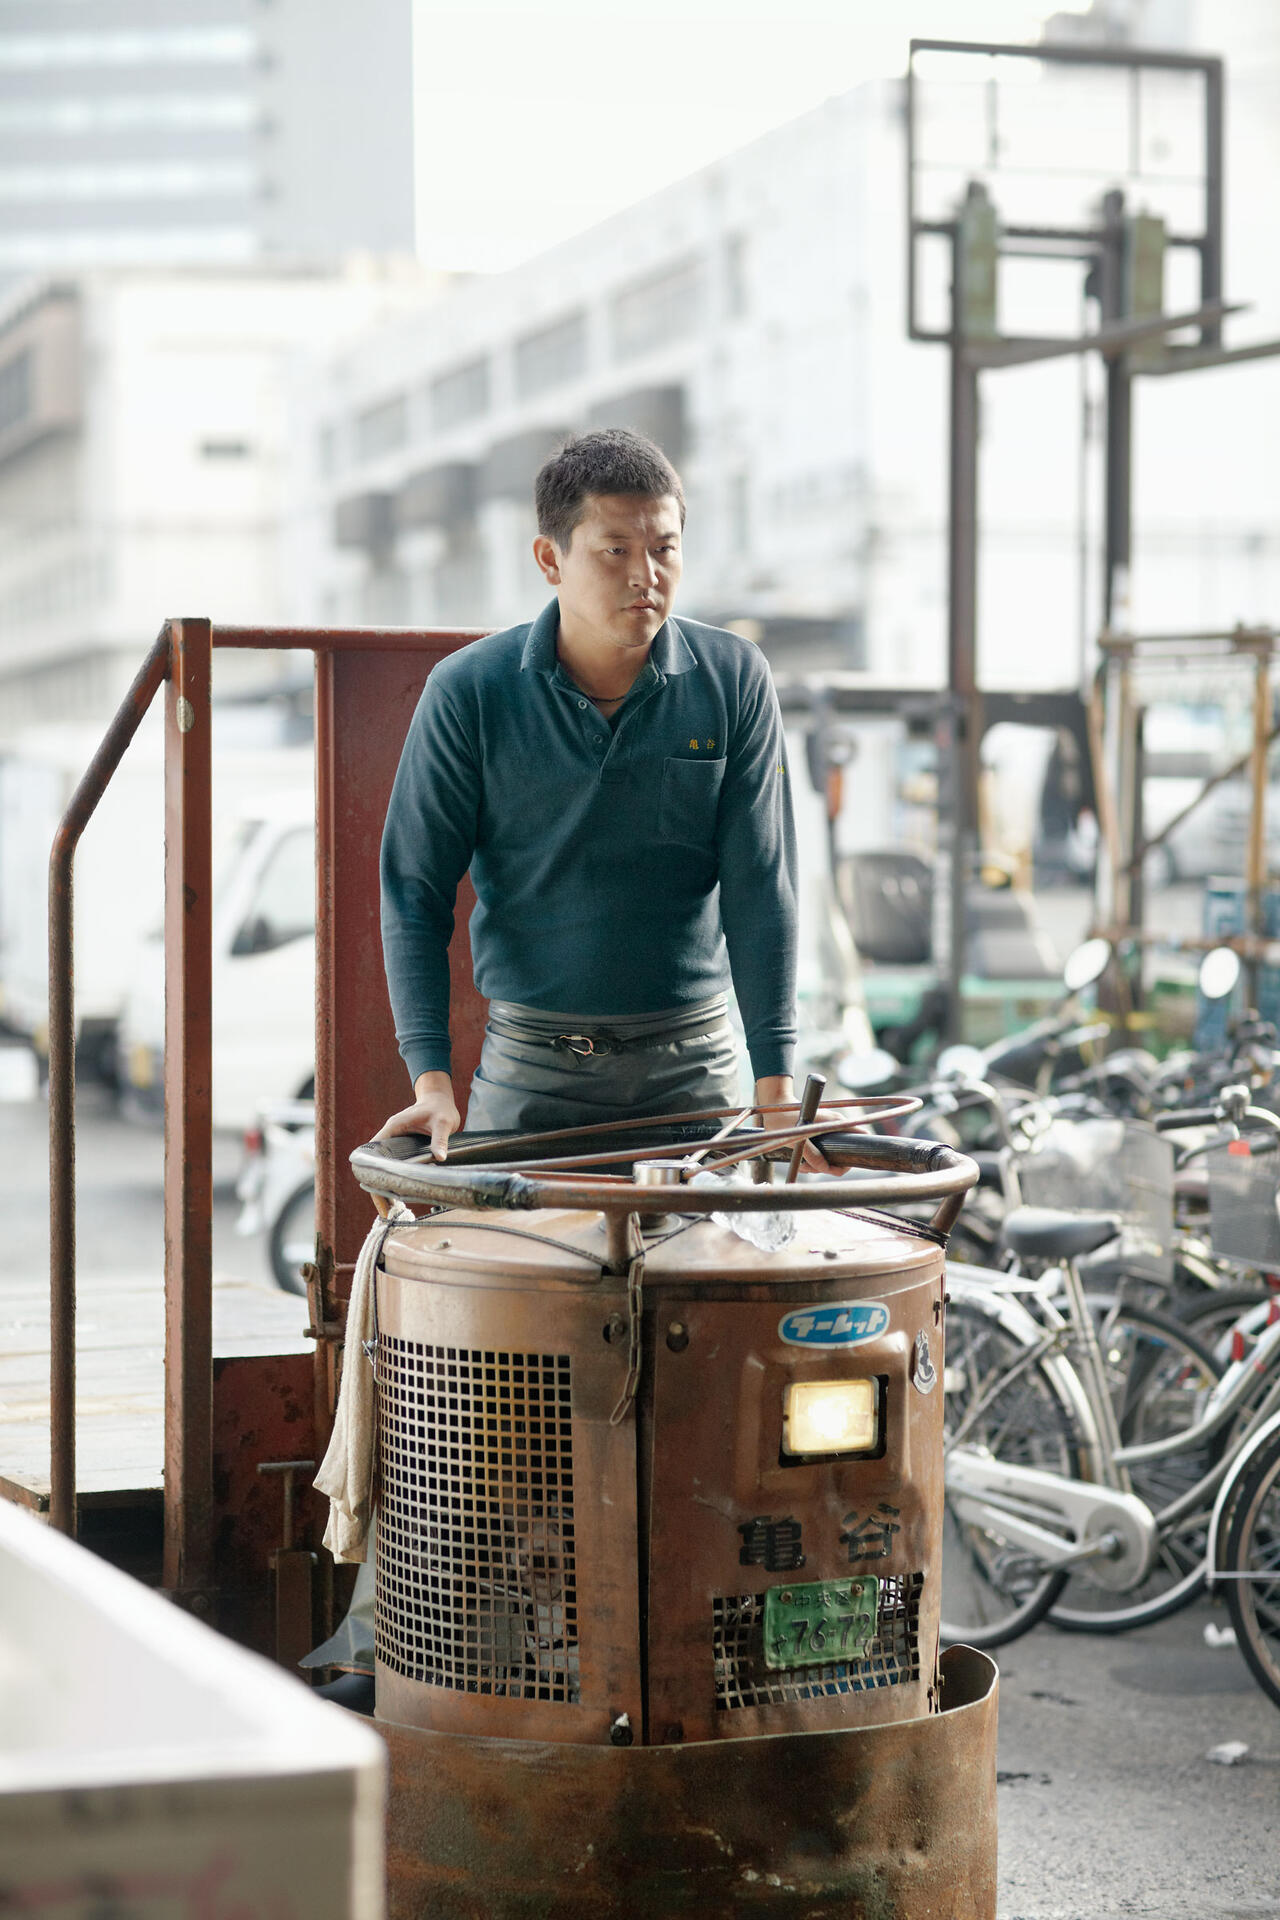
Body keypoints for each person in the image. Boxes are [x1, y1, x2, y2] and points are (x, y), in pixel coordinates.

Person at [376, 427, 805, 1149]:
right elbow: (413, 894)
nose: (647, 574)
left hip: (692, 1066)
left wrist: (776, 1085)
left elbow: (761, 887)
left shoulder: (734, 679)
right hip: (531, 1069)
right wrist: (432, 1083)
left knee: (709, 1258)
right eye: (616, 551)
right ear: (551, 558)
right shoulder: (469, 692)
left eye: (665, 548)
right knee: (514, 1258)